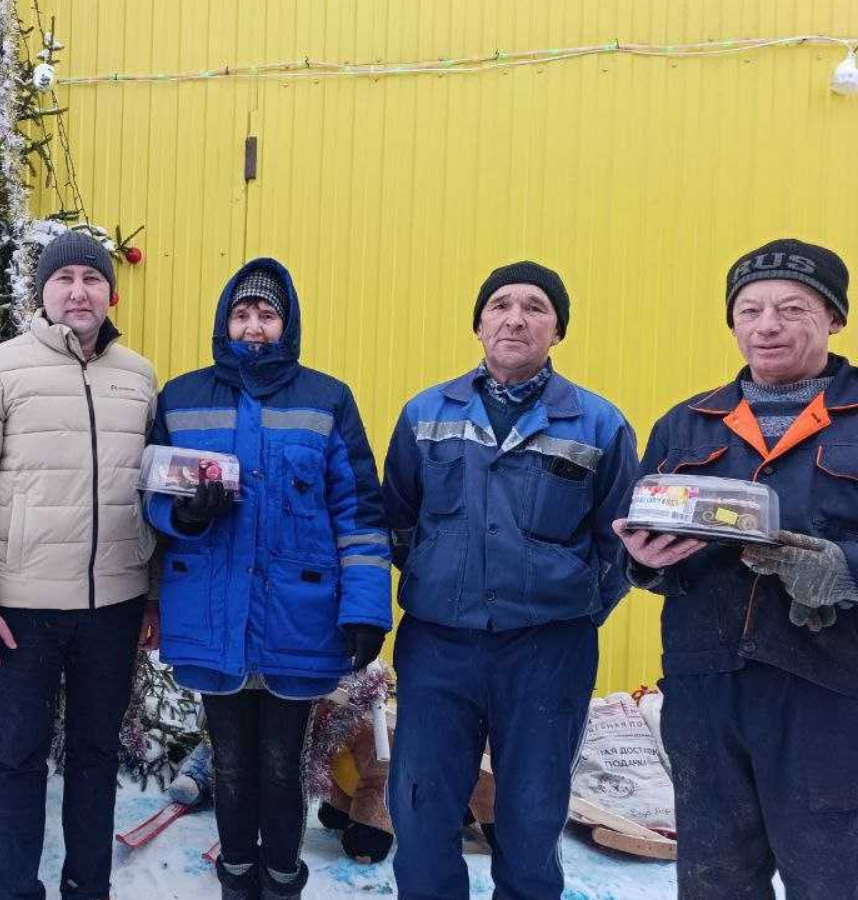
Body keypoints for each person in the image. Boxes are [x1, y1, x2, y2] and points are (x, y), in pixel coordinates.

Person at [381, 262, 639, 900]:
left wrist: (574, 606)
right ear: (479, 324)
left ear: (558, 330)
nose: (515, 319)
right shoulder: (425, 413)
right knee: (420, 810)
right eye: (499, 305)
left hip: (548, 651)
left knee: (532, 816)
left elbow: (621, 542)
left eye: (535, 308)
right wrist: (442, 579)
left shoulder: (599, 424)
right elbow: (397, 519)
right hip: (439, 646)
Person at [615, 239, 858, 899]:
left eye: (792, 308)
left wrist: (845, 569)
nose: (767, 325)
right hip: (706, 689)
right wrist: (643, 562)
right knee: (715, 880)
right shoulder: (687, 425)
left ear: (834, 317)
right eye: (749, 311)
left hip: (831, 690)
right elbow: (639, 530)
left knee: (833, 876)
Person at [143, 259, 393, 900]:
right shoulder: (182, 398)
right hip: (213, 613)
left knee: (283, 766)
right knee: (230, 763)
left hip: (297, 615)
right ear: (223, 322)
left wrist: (365, 608)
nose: (254, 327)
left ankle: (282, 881)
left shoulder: (327, 399)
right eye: (242, 314)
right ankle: (235, 879)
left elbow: (359, 512)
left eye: (267, 315)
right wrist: (184, 512)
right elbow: (151, 496)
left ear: (289, 324)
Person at [0, 230, 158, 900]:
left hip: (113, 607)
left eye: (92, 280)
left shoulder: (138, 376)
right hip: (20, 612)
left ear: (111, 294)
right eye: (64, 280)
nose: (78, 292)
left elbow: (153, 492)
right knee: (17, 758)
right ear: (43, 293)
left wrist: (151, 595)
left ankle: (88, 887)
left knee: (95, 757)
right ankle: (16, 890)